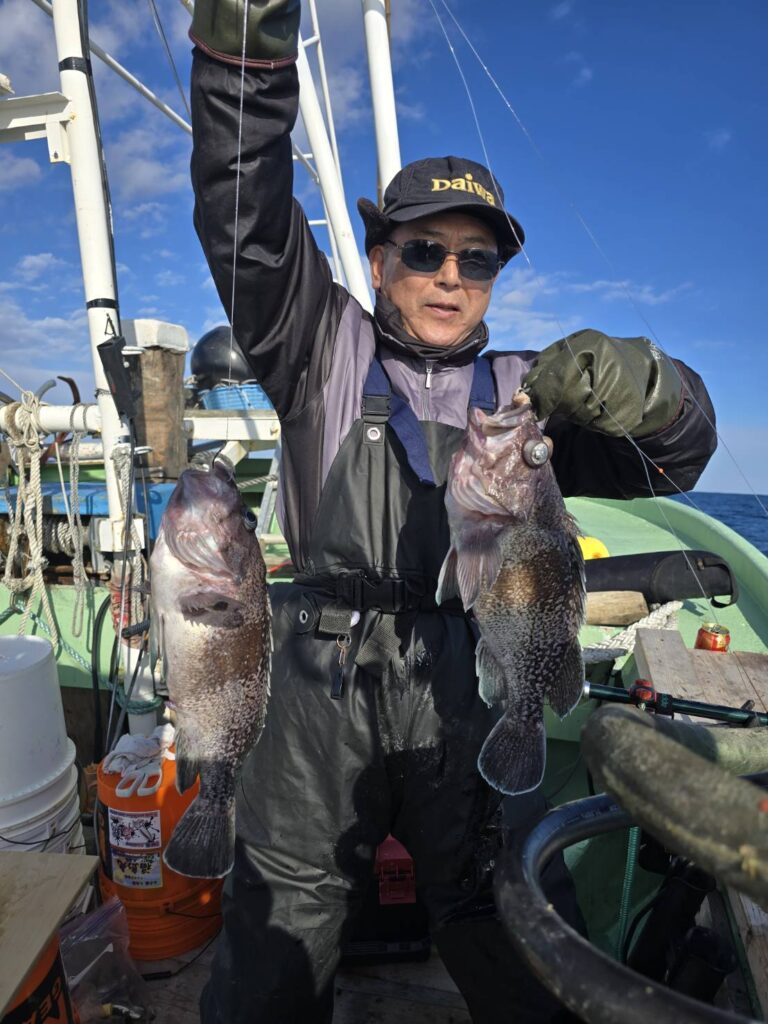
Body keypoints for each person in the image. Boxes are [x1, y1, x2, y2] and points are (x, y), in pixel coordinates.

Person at [188, 2, 717, 1020]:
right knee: (280, 924)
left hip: (474, 673)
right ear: (378, 258)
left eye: (477, 260)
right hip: (317, 679)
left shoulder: (531, 393)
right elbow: (244, 216)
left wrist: (655, 389)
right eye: (425, 249)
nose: (449, 277)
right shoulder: (317, 345)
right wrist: (243, 55)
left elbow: (675, 460)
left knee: (506, 908)